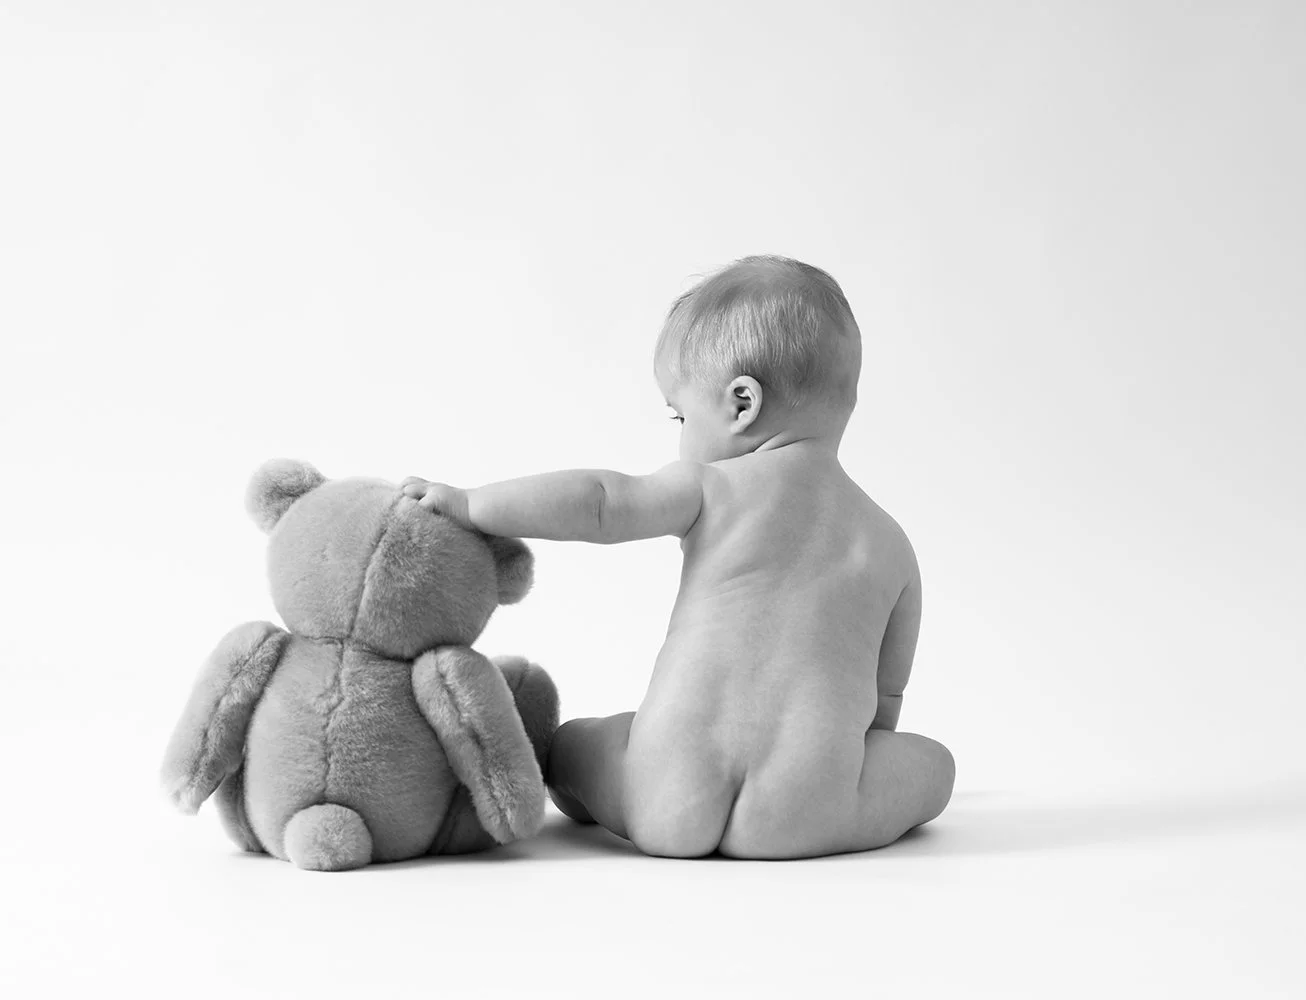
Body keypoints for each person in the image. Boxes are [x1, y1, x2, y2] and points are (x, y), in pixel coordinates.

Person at [402, 255, 954, 859]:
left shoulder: (713, 487)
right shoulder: (889, 542)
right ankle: (827, 785)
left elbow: (599, 502)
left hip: (665, 795)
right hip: (808, 811)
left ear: (742, 404)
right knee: (936, 765)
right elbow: (886, 696)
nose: (680, 432)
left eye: (681, 413)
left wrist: (470, 504)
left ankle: (577, 775)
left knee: (577, 744)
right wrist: (850, 762)